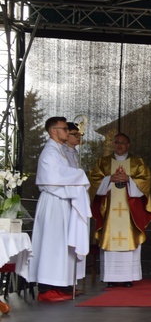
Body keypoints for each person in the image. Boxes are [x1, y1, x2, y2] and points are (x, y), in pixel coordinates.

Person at [28, 117, 91, 302]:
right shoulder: (49, 152)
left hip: (62, 202)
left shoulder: (60, 151)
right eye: (64, 129)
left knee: (61, 245)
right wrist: (80, 175)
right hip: (53, 203)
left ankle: (60, 285)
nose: (68, 131)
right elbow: (55, 176)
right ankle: (47, 289)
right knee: (51, 244)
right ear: (54, 131)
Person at [89, 133, 151, 288]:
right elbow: (93, 180)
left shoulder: (137, 162)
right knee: (110, 240)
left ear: (129, 145)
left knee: (129, 241)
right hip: (110, 211)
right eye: (117, 142)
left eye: (123, 143)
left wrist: (129, 180)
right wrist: (108, 179)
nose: (119, 145)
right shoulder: (103, 162)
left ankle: (128, 277)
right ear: (113, 144)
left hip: (129, 211)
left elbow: (146, 180)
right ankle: (110, 278)